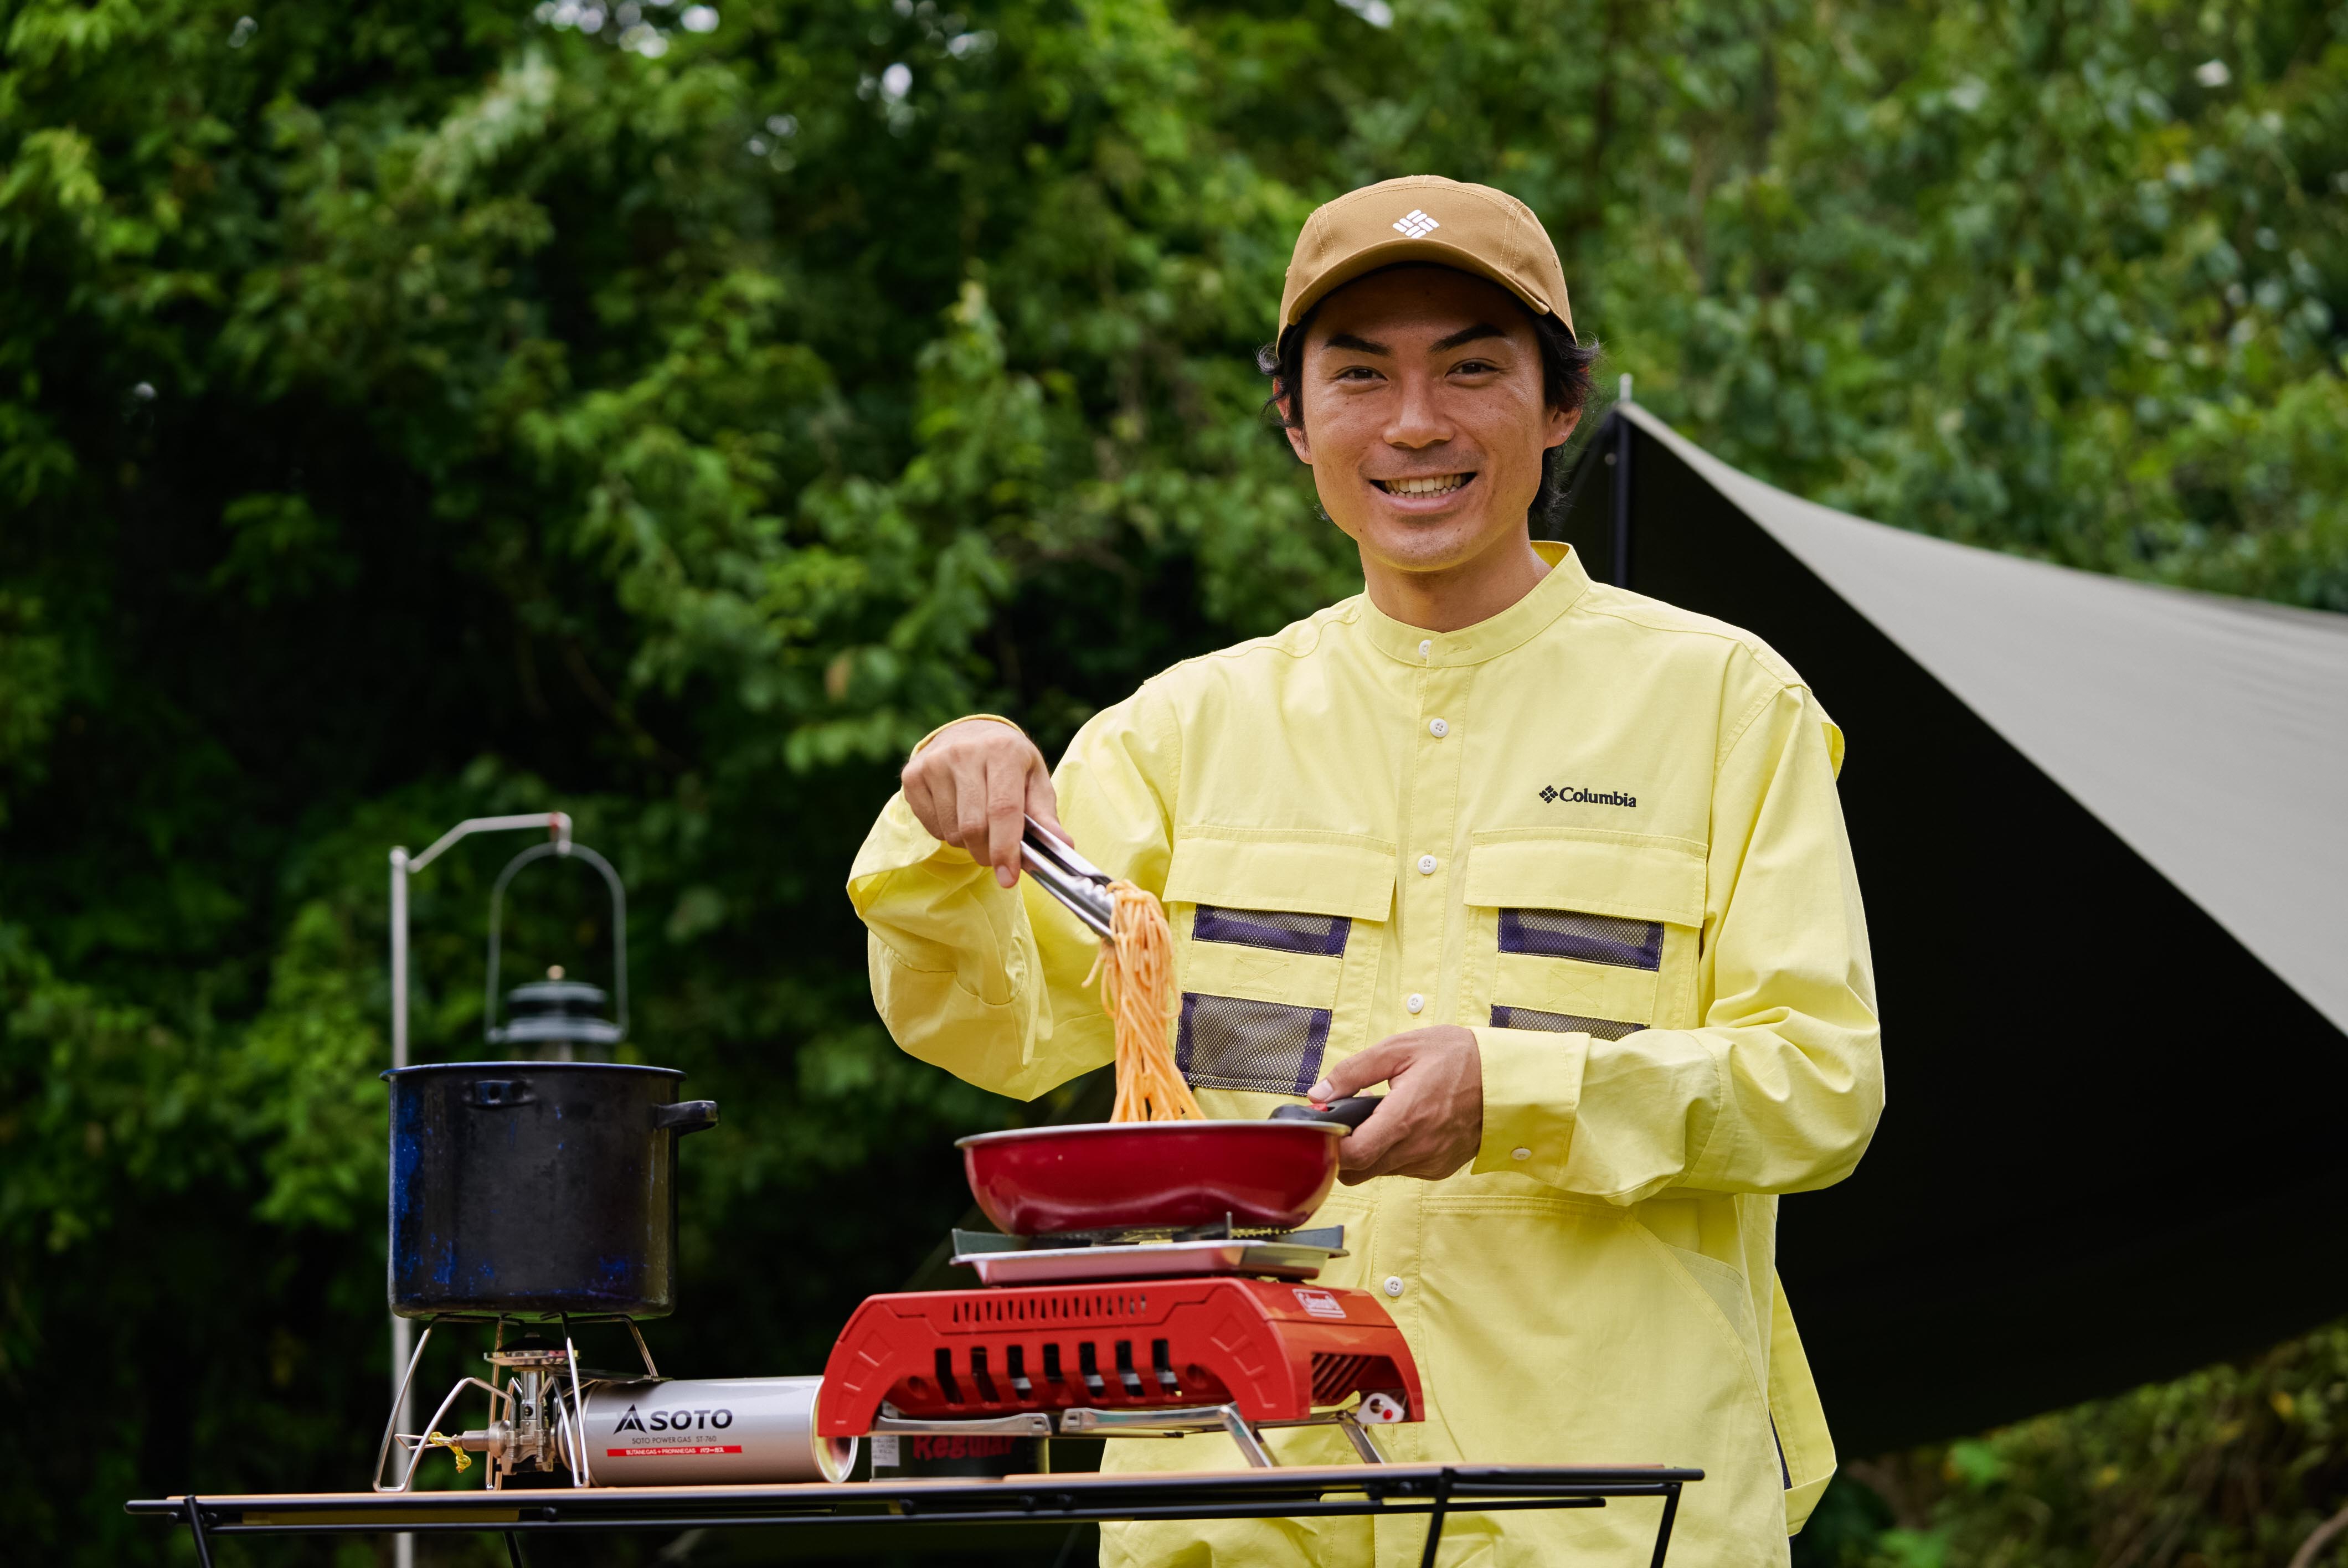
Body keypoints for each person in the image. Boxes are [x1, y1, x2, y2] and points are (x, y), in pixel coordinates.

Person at [848, 174, 1884, 1567]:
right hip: (1235, 1512)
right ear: (1294, 421)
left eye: (1470, 368)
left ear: (1558, 404)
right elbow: (1001, 1031)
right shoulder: (1179, 732)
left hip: (1595, 1517)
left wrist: (1514, 1095)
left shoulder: (1722, 706)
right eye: (1357, 376)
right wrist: (941, 812)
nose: (1413, 424)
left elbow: (1816, 1086)